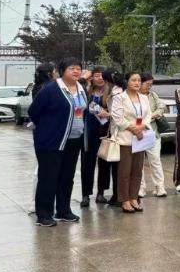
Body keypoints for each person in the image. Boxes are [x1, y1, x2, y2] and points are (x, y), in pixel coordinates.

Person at [28, 58, 86, 226]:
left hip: (74, 139)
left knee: (67, 177)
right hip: (52, 142)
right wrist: (48, 128)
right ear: (62, 71)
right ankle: (44, 214)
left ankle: (63, 210)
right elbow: (34, 111)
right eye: (71, 68)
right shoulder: (51, 89)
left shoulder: (80, 88)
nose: (76, 71)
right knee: (48, 177)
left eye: (78, 68)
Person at [111, 72, 151, 214]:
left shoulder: (144, 98)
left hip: (141, 138)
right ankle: (125, 200)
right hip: (126, 138)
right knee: (124, 171)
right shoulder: (119, 98)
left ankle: (134, 198)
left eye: (139, 80)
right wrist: (133, 128)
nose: (137, 83)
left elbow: (148, 115)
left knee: (137, 171)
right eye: (133, 80)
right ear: (126, 82)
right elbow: (117, 117)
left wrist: (142, 127)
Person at [79, 66, 109, 207]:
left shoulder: (110, 93)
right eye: (97, 75)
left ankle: (101, 193)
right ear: (92, 78)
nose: (100, 78)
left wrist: (107, 113)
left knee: (104, 163)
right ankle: (85, 195)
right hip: (88, 132)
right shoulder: (85, 92)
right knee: (87, 164)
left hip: (104, 132)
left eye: (102, 75)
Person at [139, 73, 167, 197]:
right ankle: (141, 188)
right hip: (138, 133)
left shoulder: (153, 95)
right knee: (139, 163)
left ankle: (159, 187)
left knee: (155, 160)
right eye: (147, 84)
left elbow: (161, 108)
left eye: (151, 84)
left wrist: (151, 116)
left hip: (153, 132)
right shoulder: (134, 96)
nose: (149, 87)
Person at [99, 69, 125, 205]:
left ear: (107, 81)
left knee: (117, 167)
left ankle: (118, 196)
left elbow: (118, 114)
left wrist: (107, 114)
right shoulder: (120, 90)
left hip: (118, 133)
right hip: (118, 132)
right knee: (118, 166)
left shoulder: (117, 93)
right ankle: (118, 195)